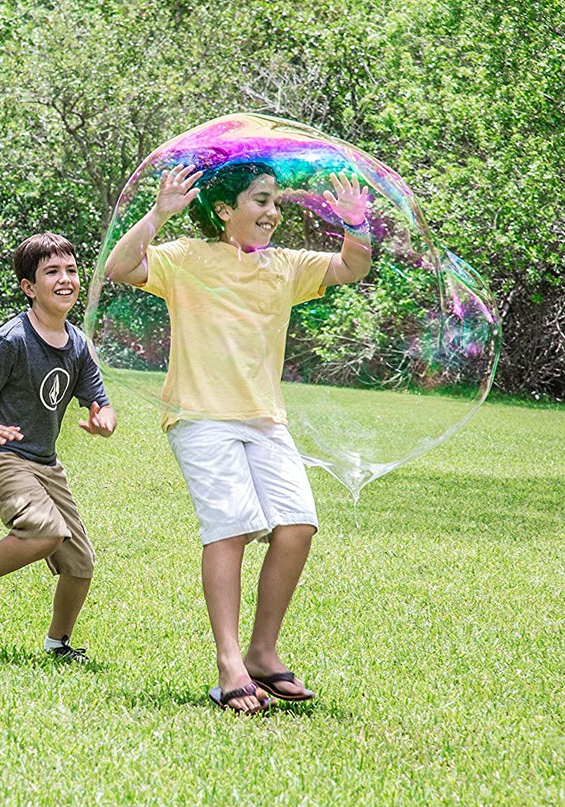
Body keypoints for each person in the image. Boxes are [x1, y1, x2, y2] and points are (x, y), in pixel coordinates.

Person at [103, 161, 372, 713]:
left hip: (264, 418)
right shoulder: (185, 257)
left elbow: (352, 266)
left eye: (276, 203)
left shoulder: (286, 266)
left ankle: (261, 653)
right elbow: (120, 266)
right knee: (229, 529)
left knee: (297, 527)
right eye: (260, 201)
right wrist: (159, 213)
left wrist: (355, 222)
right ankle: (229, 666)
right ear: (226, 210)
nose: (273, 212)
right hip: (201, 416)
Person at [0, 232, 117, 662]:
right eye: (51, 272)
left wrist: (104, 422)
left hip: (44, 463)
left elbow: (101, 403)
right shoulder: (13, 340)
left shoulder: (77, 344)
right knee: (45, 531)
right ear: (29, 287)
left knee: (80, 562)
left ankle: (58, 647)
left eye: (71, 270)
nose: (65, 279)